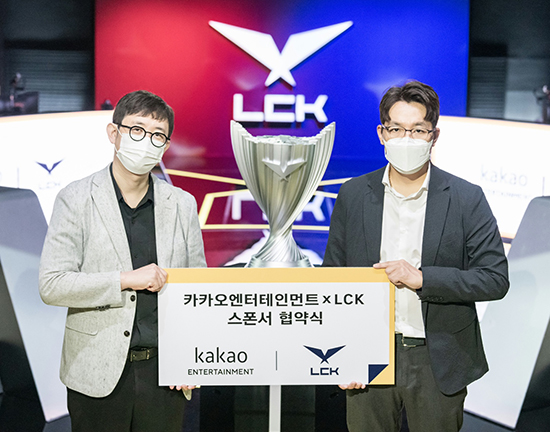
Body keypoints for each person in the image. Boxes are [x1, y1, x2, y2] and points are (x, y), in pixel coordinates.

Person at [323, 81, 509, 431]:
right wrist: (341, 354)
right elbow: (333, 277)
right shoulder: (353, 194)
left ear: (433, 136)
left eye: (418, 130)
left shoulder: (466, 198)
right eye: (396, 129)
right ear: (382, 133)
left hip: (438, 357)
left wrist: (423, 278)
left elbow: (495, 278)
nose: (406, 139)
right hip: (368, 352)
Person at [39, 90, 206, 431]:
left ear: (165, 146)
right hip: (95, 371)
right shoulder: (76, 198)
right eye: (137, 130)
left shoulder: (182, 204)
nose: (146, 142)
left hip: (165, 374)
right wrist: (125, 279)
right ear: (113, 133)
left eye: (157, 135)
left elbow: (197, 289)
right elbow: (52, 285)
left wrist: (191, 359)